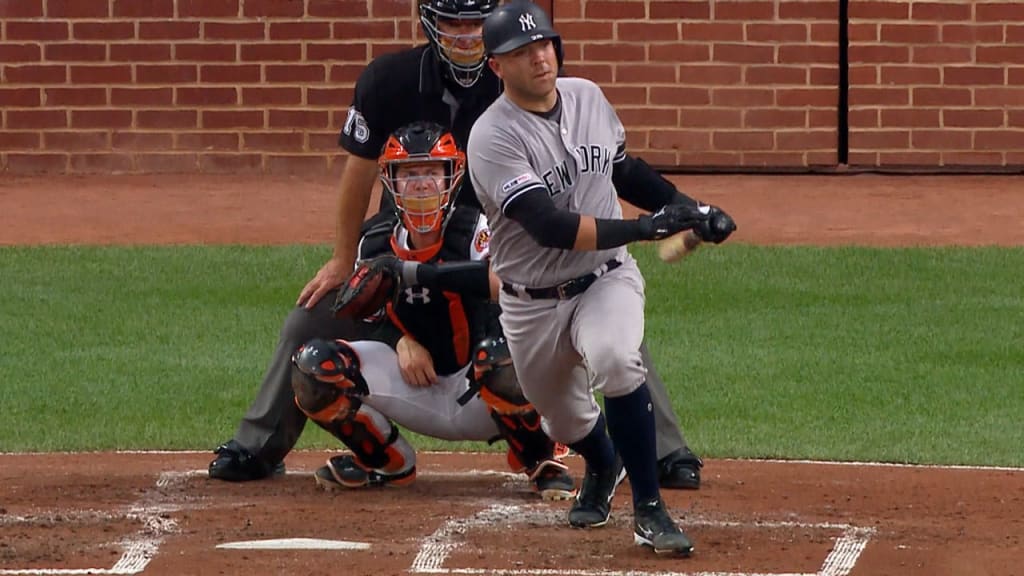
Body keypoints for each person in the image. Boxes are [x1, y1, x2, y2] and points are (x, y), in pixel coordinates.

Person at [209, 0, 705, 491]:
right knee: (310, 318)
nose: (467, 34)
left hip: (508, 239)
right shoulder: (387, 81)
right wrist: (343, 260)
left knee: (598, 300)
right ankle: (258, 446)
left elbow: (587, 163)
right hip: (408, 244)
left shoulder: (522, 73)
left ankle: (661, 450)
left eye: (477, 23)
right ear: (429, 21)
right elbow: (357, 175)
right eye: (454, 21)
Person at [467, 1, 737, 555]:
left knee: (617, 358)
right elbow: (547, 224)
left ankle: (649, 511)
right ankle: (602, 461)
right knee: (562, 420)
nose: (539, 58)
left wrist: (693, 209)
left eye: (543, 44)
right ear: (497, 66)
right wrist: (643, 227)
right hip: (530, 303)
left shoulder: (587, 95)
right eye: (521, 52)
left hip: (605, 280)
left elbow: (622, 168)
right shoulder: (491, 137)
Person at [289, 121, 575, 500]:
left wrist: (425, 273)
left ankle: (538, 456)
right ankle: (387, 461)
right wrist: (400, 340)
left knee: (505, 358)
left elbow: (508, 287)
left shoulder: (477, 228)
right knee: (314, 368)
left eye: (430, 172)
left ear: (451, 177)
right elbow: (365, 317)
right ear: (391, 181)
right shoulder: (374, 241)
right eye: (409, 173)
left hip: (481, 383)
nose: (421, 183)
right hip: (416, 386)